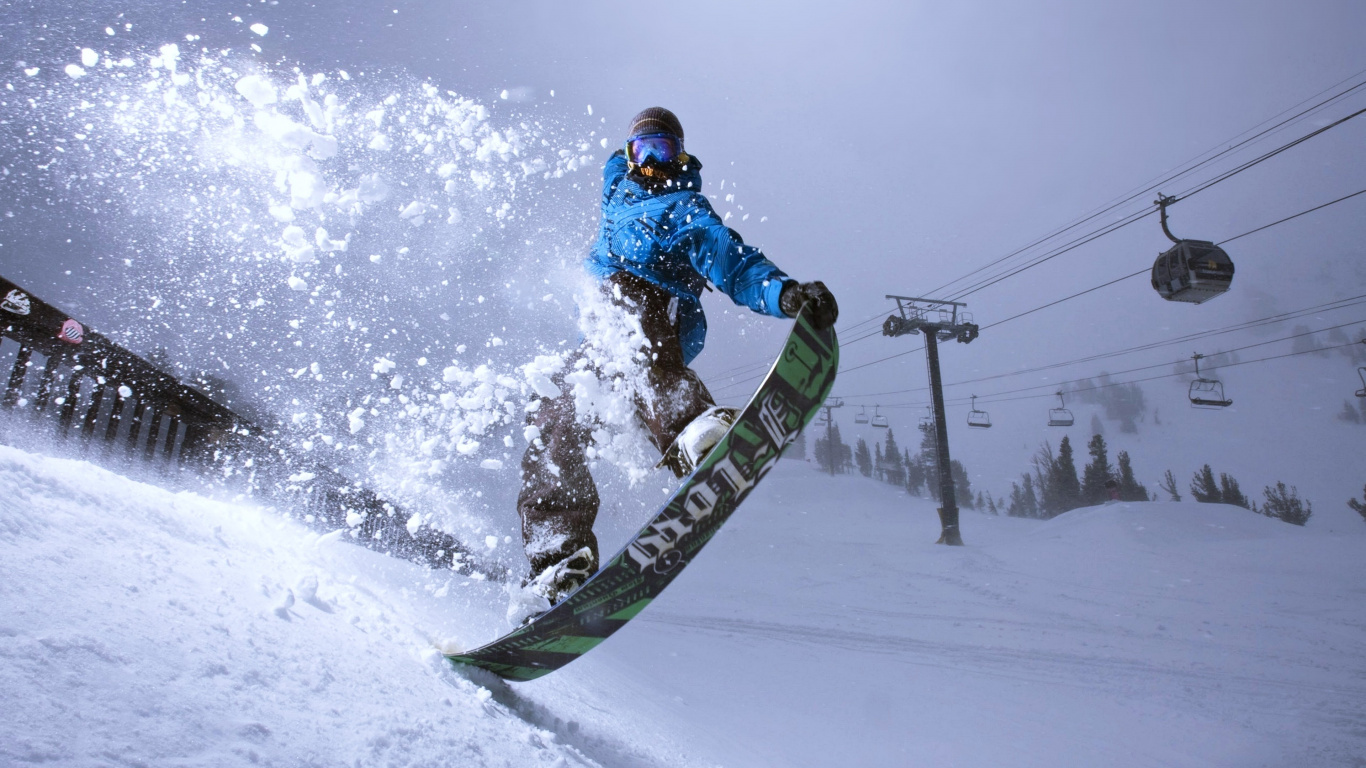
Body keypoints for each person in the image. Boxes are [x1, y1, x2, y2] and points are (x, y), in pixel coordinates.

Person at [514, 107, 838, 614]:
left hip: (656, 322)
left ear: (680, 155)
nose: (654, 164)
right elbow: (613, 170)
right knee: (552, 410)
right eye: (644, 153)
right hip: (602, 344)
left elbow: (735, 263)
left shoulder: (686, 208)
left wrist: (787, 294)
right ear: (628, 157)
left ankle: (691, 428)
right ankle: (558, 556)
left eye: (664, 152)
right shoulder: (615, 189)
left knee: (629, 302)